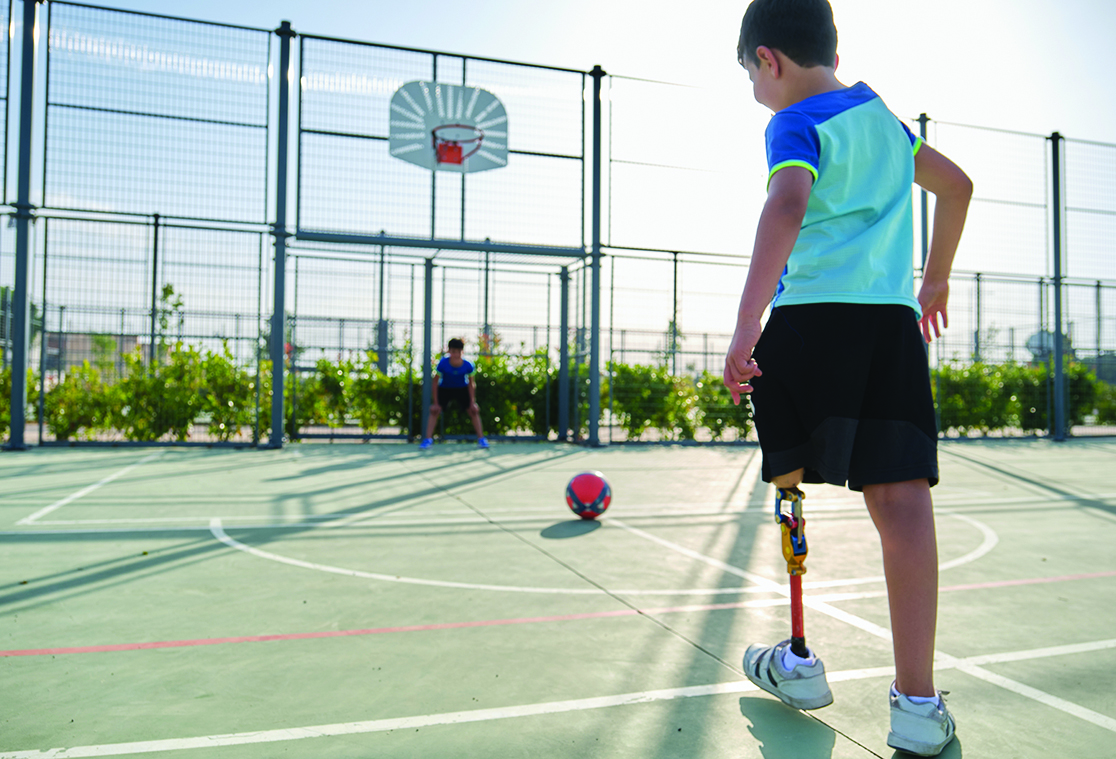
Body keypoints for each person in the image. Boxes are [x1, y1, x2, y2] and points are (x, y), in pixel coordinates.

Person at [723, 1, 972, 756]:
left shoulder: (795, 120)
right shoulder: (889, 126)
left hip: (811, 320)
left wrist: (744, 324)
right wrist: (935, 280)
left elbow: (788, 202)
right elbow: (958, 186)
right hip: (889, 328)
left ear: (769, 59)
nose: (756, 93)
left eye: (750, 77)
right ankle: (918, 704)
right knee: (903, 505)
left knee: (792, 476)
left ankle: (798, 654)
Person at [420, 337, 488, 449]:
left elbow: (471, 384)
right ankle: (427, 440)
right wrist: (436, 403)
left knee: (474, 411)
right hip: (445, 388)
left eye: (458, 352)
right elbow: (435, 383)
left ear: (462, 352)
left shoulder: (468, 365)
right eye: (453, 352)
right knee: (434, 411)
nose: (456, 355)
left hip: (462, 388)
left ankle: (481, 439)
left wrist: (472, 402)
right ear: (449, 351)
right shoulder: (442, 364)